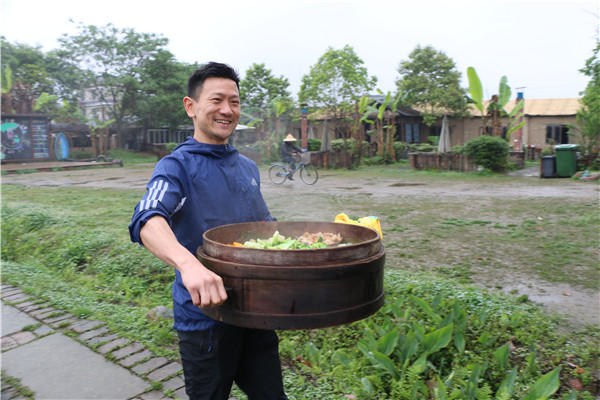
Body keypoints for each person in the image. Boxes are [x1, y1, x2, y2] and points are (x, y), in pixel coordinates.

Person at [129, 62, 288, 400]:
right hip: (205, 321)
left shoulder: (246, 166)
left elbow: (262, 227)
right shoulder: (177, 166)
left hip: (255, 314)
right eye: (217, 100)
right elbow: (147, 218)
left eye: (235, 101)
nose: (227, 110)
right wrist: (189, 266)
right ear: (192, 107)